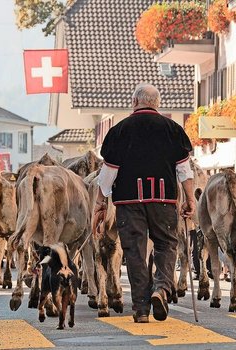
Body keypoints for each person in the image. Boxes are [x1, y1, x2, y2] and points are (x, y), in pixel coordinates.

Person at [93, 83, 195, 323]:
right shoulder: (173, 129)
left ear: (134, 102)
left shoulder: (119, 131)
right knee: (166, 245)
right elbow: (184, 170)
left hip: (129, 202)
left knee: (135, 252)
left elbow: (108, 173)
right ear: (157, 104)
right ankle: (161, 288)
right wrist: (190, 199)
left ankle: (141, 310)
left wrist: (100, 203)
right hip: (164, 200)